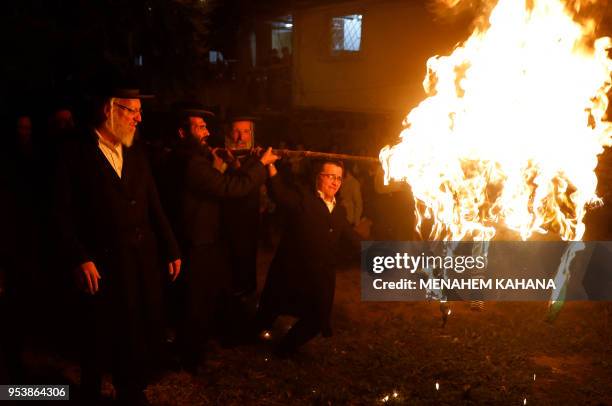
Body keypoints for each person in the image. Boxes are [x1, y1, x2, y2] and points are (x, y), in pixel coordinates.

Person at [54, 86, 181, 405]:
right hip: (101, 259)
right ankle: (91, 389)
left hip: (139, 256)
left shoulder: (134, 148)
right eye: (132, 110)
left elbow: (153, 199)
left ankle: (131, 388)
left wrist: (170, 246)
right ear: (109, 109)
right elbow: (60, 211)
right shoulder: (74, 151)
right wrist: (79, 257)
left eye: (140, 111)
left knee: (136, 323)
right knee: (97, 329)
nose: (139, 118)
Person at [164, 105, 279, 374]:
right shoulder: (191, 162)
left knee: (214, 295)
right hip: (198, 239)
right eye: (199, 128)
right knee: (195, 302)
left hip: (216, 238)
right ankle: (190, 356)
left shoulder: (197, 157)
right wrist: (261, 165)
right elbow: (228, 187)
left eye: (206, 128)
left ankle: (204, 344)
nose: (206, 133)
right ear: (182, 133)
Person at [256, 159, 361, 357]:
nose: (335, 182)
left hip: (321, 275)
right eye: (330, 176)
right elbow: (279, 193)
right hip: (293, 270)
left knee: (317, 318)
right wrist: (270, 166)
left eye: (339, 178)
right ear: (318, 178)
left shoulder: (339, 210)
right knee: (271, 309)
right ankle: (246, 337)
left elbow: (351, 237)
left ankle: (285, 348)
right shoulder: (303, 199)